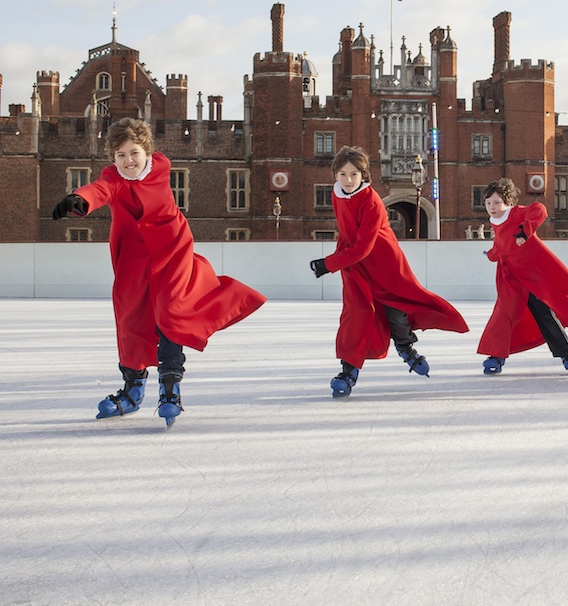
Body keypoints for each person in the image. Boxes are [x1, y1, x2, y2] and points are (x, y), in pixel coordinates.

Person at [52, 117, 266, 427]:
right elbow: (102, 189)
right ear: (112, 157)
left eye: (135, 152)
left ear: (148, 152)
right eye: (121, 154)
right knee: (130, 318)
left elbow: (142, 187)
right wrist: (80, 198)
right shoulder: (112, 177)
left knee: (170, 312)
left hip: (172, 252)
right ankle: (132, 390)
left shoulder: (161, 168)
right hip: (134, 259)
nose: (128, 161)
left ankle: (170, 389)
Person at [310, 146, 468, 397]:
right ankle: (348, 372)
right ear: (335, 175)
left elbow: (364, 246)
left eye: (354, 174)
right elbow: (349, 235)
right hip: (354, 265)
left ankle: (406, 348)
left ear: (364, 174)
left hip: (384, 265)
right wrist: (339, 260)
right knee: (356, 316)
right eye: (342, 174)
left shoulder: (371, 200)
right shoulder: (336, 194)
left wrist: (328, 264)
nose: (348, 180)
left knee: (396, 313)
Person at [477, 178, 568, 375]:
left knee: (544, 314)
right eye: (488, 203)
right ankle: (496, 355)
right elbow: (501, 246)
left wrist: (525, 231)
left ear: (507, 201)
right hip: (511, 278)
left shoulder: (516, 213)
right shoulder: (494, 222)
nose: (492, 207)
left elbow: (539, 209)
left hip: (532, 277)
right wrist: (491, 255)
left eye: (496, 202)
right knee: (503, 314)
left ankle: (567, 355)